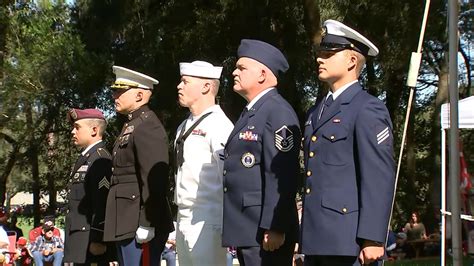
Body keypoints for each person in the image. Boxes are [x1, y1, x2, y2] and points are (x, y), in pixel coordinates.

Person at [300, 19, 396, 266]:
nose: (320, 59)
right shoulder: (316, 112)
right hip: (317, 238)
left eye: (329, 53)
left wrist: (373, 238)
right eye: (320, 53)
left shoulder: (367, 108)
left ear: (352, 61)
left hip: (348, 240)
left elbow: (378, 176)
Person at [222, 39, 301, 266]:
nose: (234, 73)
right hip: (250, 228)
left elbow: (283, 175)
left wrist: (276, 225)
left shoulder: (277, 111)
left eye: (242, 68)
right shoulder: (253, 112)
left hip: (265, 232)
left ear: (262, 74)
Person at [104, 66, 174, 266]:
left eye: (120, 91)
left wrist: (147, 222)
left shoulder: (146, 125)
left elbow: (154, 179)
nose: (114, 95)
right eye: (114, 90)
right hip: (127, 218)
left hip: (138, 221)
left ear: (140, 95)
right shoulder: (132, 124)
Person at [174, 60, 233, 266]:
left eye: (185, 81)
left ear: (206, 86)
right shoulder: (183, 126)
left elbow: (227, 175)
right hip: (184, 215)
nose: (179, 86)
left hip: (208, 218)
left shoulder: (219, 125)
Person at [63, 108, 116, 265]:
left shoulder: (100, 160)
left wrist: (99, 238)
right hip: (79, 239)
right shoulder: (86, 158)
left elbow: (102, 202)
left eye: (77, 127)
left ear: (94, 130)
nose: (73, 131)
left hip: (89, 242)